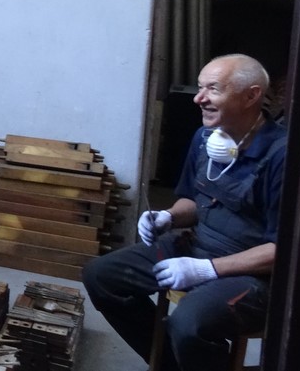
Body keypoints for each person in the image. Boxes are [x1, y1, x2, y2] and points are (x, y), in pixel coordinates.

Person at [83, 53, 287, 371]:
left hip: (254, 276)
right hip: (196, 247)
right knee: (102, 276)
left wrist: (206, 270)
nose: (198, 98)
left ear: (252, 96)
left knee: (189, 324)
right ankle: (172, 365)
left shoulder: (282, 155)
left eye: (213, 89)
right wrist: (168, 217)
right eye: (200, 87)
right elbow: (192, 200)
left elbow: (280, 251)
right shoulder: (205, 138)